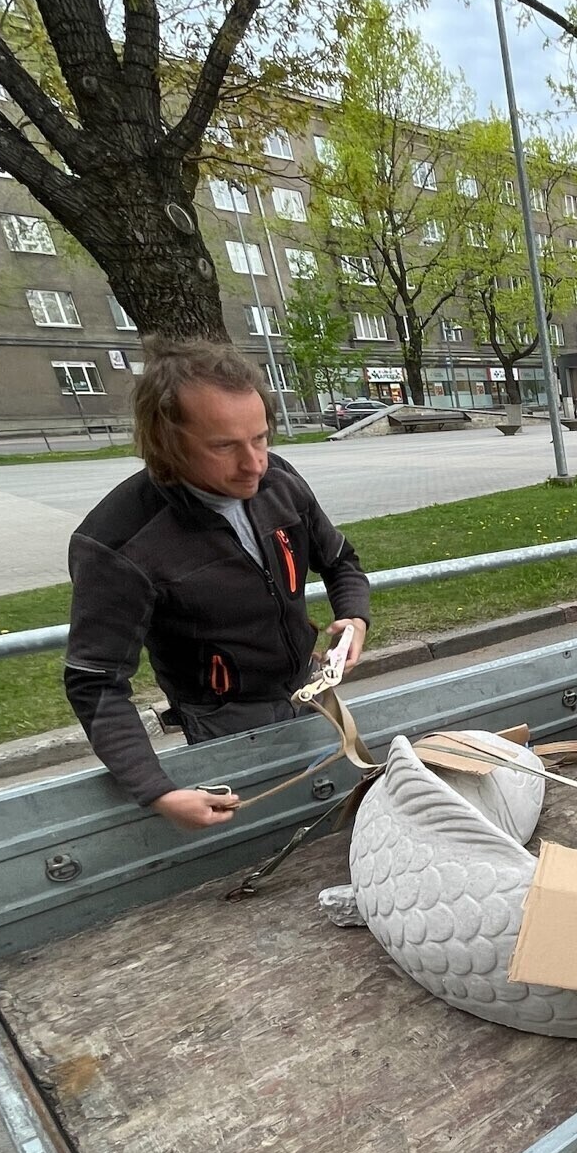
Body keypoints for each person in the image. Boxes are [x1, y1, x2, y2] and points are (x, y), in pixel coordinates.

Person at [64, 335, 371, 831]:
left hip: (308, 688)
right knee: (264, 834)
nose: (254, 464)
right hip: (224, 717)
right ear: (167, 443)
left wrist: (354, 616)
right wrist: (158, 791)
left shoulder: (279, 482)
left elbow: (340, 561)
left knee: (329, 818)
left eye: (261, 438)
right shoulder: (119, 545)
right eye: (224, 446)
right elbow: (94, 681)